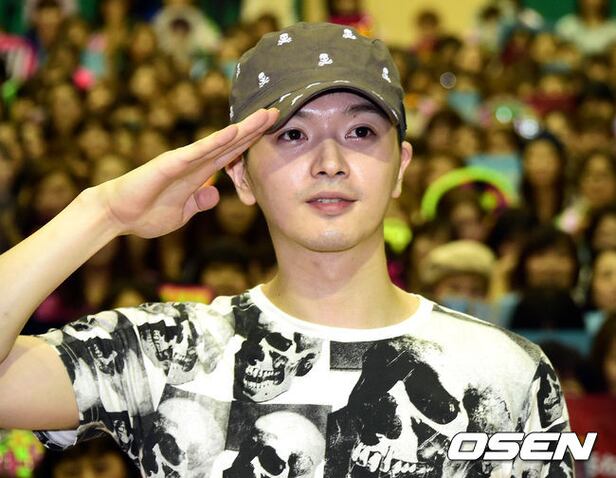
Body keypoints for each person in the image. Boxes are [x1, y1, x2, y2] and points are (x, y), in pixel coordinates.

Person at [0, 22, 572, 477]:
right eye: (293, 135)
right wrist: (102, 212)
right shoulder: (170, 353)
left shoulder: (508, 371)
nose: (330, 163)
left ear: (400, 167)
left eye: (361, 132)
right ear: (241, 177)